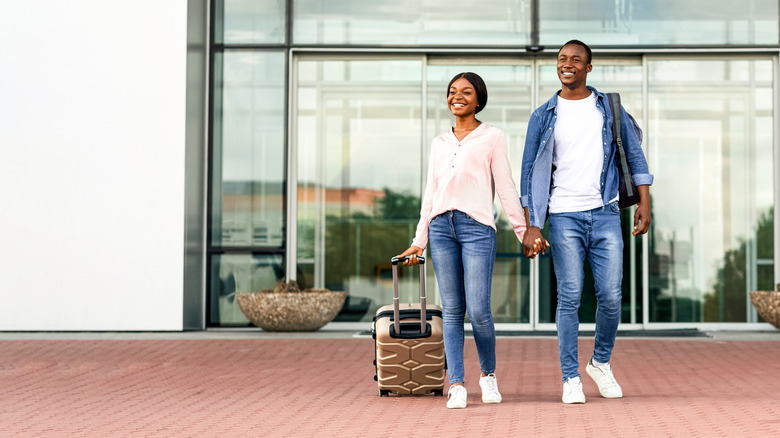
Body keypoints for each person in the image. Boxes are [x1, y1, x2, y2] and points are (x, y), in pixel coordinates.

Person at [520, 40, 653, 404]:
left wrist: (644, 201)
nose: (568, 64)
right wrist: (532, 224)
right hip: (564, 216)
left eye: (576, 59)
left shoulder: (609, 108)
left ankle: (600, 362)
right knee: (570, 296)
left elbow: (636, 156)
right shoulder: (542, 116)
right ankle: (570, 377)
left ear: (588, 68)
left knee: (610, 296)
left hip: (606, 212)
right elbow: (529, 173)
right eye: (562, 59)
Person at [396, 72, 528, 409]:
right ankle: (456, 383)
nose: (458, 96)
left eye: (466, 92)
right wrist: (419, 240)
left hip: (477, 228)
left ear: (479, 99)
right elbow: (431, 192)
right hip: (441, 227)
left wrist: (523, 232)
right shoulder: (439, 143)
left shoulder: (492, 137)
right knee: (453, 310)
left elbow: (506, 185)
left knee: (479, 310)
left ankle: (488, 375)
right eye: (452, 91)